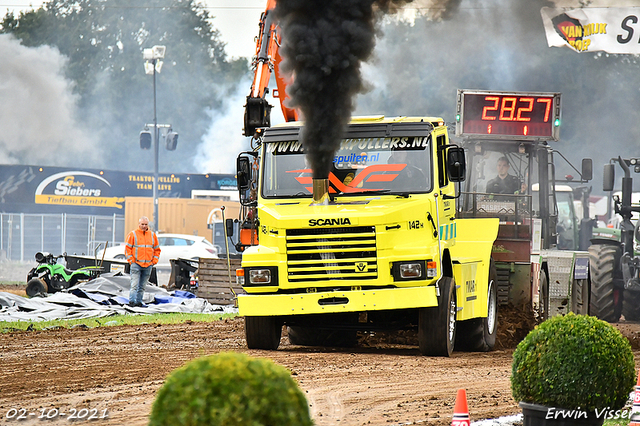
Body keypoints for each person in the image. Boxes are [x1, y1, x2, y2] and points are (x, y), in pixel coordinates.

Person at [125, 216, 161, 307]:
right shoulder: (133, 234)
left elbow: (157, 249)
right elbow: (127, 249)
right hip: (136, 264)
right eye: (142, 224)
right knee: (134, 285)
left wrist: (154, 260)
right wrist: (132, 261)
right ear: (139, 224)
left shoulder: (152, 235)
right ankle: (132, 302)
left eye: (146, 224)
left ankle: (139, 302)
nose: (144, 226)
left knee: (142, 286)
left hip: (148, 265)